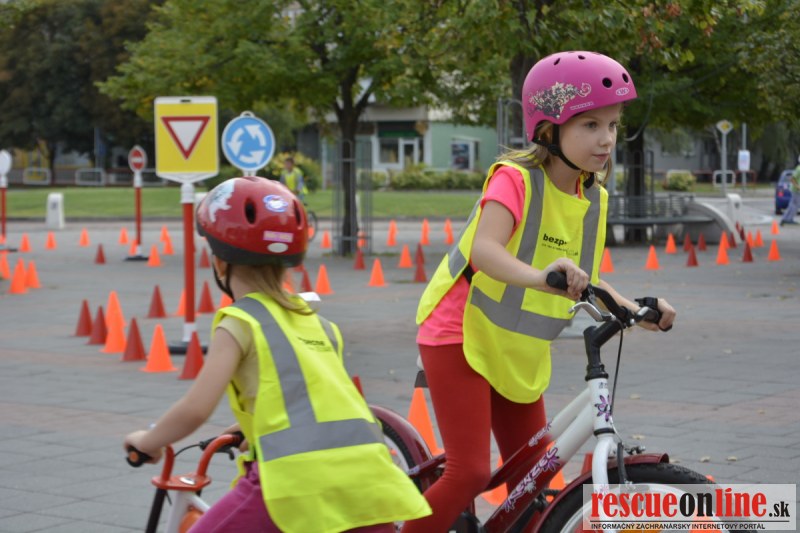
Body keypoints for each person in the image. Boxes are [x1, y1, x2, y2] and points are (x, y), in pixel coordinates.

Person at [402, 51, 676, 533]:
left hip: (517, 347)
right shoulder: (515, 178)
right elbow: (485, 250)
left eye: (613, 124)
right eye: (590, 124)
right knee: (470, 472)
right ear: (549, 128)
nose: (607, 138)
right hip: (458, 331)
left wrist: (639, 309)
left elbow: (586, 279)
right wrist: (540, 275)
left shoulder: (593, 198)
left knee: (536, 479)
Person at [124, 176, 430, 532]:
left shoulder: (240, 322)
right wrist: (257, 425)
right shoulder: (320, 324)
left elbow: (195, 409)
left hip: (291, 485)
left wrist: (148, 441)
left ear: (220, 263)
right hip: (368, 482)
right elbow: (311, 401)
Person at [780, 155, 800, 226]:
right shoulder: (799, 169)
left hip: (796, 190)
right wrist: (797, 186)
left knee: (793, 205)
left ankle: (785, 219)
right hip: (796, 190)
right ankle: (788, 219)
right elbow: (792, 178)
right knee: (795, 205)